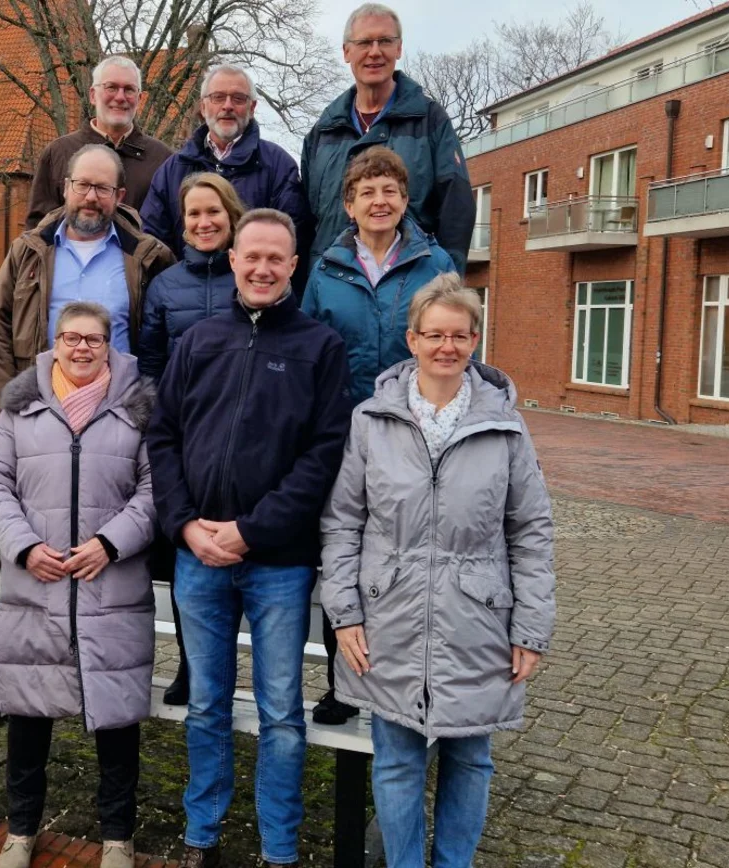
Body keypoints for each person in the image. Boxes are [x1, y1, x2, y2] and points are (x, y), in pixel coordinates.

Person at [321, 275, 555, 868]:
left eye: (459, 335)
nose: (446, 346)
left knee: (471, 758)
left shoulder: (504, 425)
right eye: (434, 334)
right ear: (412, 339)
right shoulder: (371, 420)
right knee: (397, 758)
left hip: (476, 616)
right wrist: (344, 612)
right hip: (390, 612)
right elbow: (343, 521)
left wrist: (530, 626)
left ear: (475, 340)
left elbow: (529, 529)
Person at [147, 209, 354, 868]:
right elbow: (163, 438)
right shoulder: (199, 340)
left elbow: (325, 455)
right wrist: (183, 524)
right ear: (233, 259)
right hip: (197, 557)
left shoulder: (320, 348)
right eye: (251, 256)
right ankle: (201, 836)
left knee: (282, 715)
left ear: (294, 266)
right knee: (206, 706)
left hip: (279, 565)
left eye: (276, 258)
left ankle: (279, 848)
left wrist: (250, 530)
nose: (262, 268)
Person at [0, 301, 157, 868]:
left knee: (117, 720)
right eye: (71, 338)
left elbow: (157, 489)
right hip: (38, 587)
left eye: (94, 340)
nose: (82, 349)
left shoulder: (138, 408)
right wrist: (24, 546)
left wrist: (110, 542)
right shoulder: (22, 408)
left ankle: (117, 838)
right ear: (54, 343)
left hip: (112, 589)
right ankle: (22, 829)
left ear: (110, 346)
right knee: (28, 717)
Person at [300, 145, 456, 725]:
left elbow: (450, 348)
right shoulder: (325, 269)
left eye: (389, 190)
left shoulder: (434, 264)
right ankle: (343, 684)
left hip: (411, 438)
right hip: (341, 435)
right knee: (341, 554)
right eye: (367, 191)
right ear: (349, 203)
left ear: (405, 199)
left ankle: (410, 680)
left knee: (402, 557)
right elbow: (309, 352)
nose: (379, 200)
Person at [137, 171, 244, 705]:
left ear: (230, 218)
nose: (204, 222)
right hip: (186, 441)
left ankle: (232, 671)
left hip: (244, 438)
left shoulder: (249, 277)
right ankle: (189, 666)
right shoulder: (166, 285)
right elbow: (151, 366)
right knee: (189, 552)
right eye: (194, 215)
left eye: (213, 213)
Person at [0, 144, 174, 419]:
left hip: (119, 416)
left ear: (119, 196)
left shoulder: (149, 257)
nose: (90, 197)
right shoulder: (27, 252)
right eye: (82, 185)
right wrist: (5, 412)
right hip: (40, 410)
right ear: (65, 188)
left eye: (102, 188)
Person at [302, 3, 474, 273]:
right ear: (347, 52)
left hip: (412, 285)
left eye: (385, 41)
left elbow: (456, 209)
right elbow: (308, 219)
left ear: (399, 48)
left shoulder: (430, 120)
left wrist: (449, 283)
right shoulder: (322, 133)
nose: (375, 52)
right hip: (333, 286)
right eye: (364, 42)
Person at [139, 64, 307, 260]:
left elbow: (292, 238)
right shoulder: (172, 169)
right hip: (186, 287)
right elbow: (153, 242)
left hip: (251, 286)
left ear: (252, 108)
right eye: (218, 97)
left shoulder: (278, 165)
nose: (227, 106)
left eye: (238, 98)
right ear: (203, 107)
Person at [25, 56, 173, 229]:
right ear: (93, 95)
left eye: (129, 90)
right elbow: (38, 232)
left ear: (139, 99)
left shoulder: (163, 160)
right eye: (111, 87)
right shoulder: (58, 153)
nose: (120, 97)